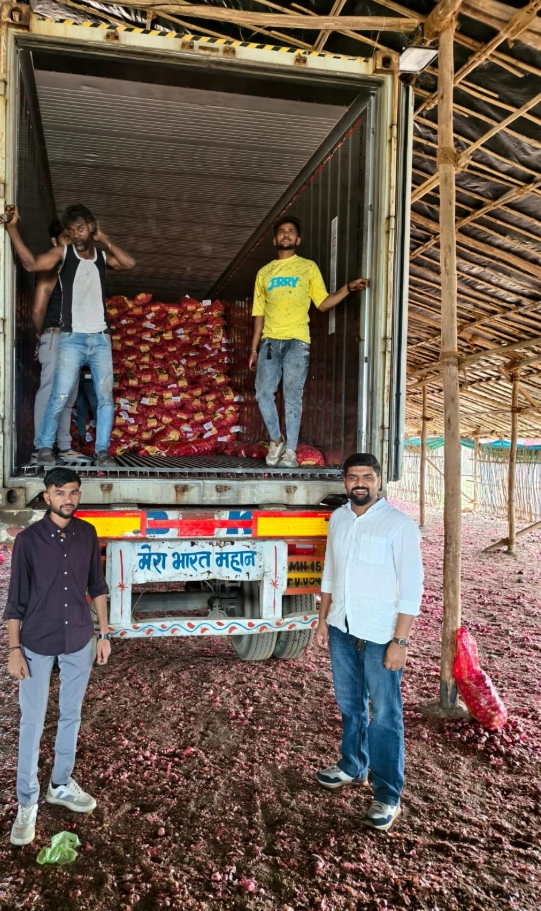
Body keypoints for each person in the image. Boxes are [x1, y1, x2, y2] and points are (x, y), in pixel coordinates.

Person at [315, 453, 424, 832]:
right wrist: (323, 619)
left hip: (381, 634)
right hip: (342, 626)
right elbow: (330, 572)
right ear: (344, 481)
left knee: (386, 715)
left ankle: (388, 795)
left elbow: (411, 588)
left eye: (367, 476)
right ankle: (353, 765)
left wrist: (401, 641)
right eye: (352, 477)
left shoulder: (399, 525)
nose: (359, 483)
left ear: (379, 480)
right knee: (349, 704)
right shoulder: (339, 519)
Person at [4, 467, 112, 846]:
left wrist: (103, 633)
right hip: (36, 640)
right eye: (61, 492)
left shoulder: (88, 533)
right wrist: (14, 649)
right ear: (47, 496)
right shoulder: (28, 541)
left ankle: (61, 784)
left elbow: (97, 585)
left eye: (74, 492)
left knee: (71, 714)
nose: (68, 498)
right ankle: (26, 802)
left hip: (80, 637)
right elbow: (15, 600)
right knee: (32, 721)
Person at [2, 202, 136, 467]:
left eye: (81, 228)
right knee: (59, 395)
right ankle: (44, 448)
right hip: (71, 337)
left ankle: (102, 452)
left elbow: (129, 262)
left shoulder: (101, 258)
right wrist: (11, 228)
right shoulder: (63, 253)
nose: (76, 234)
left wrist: (103, 238)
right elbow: (30, 264)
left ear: (91, 227)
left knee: (105, 399)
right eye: (72, 230)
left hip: (100, 338)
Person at [248, 215, 369, 468]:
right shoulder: (264, 273)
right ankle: (277, 441)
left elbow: (323, 303)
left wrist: (347, 288)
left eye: (291, 231)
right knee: (263, 393)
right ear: (275, 240)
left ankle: (291, 451)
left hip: (298, 342)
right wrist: (253, 348)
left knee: (293, 396)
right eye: (282, 231)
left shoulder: (308, 268)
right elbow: (259, 313)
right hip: (269, 342)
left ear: (298, 239)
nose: (286, 234)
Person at [30, 220, 84, 463]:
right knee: (50, 390)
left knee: (68, 396)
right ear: (54, 242)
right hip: (55, 335)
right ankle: (41, 448)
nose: (71, 241)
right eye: (65, 237)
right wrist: (41, 336)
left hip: (75, 338)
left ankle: (63, 447)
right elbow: (38, 309)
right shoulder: (52, 269)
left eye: (73, 237)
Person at [75, 368, 98, 443]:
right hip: (90, 374)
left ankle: (82, 439)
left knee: (81, 409)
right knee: (96, 409)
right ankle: (100, 439)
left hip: (77, 376)